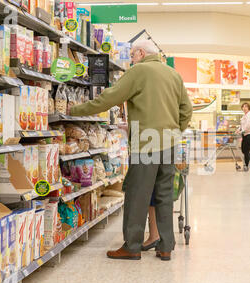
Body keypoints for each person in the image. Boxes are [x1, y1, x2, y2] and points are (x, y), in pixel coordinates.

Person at [69, 39, 193, 261]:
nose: (131, 59)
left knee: (138, 195)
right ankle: (166, 246)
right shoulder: (173, 74)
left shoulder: (139, 71)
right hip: (170, 143)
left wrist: (76, 109)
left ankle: (132, 246)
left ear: (142, 52)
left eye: (132, 55)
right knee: (164, 195)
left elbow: (109, 98)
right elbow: (187, 109)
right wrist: (174, 130)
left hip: (146, 144)